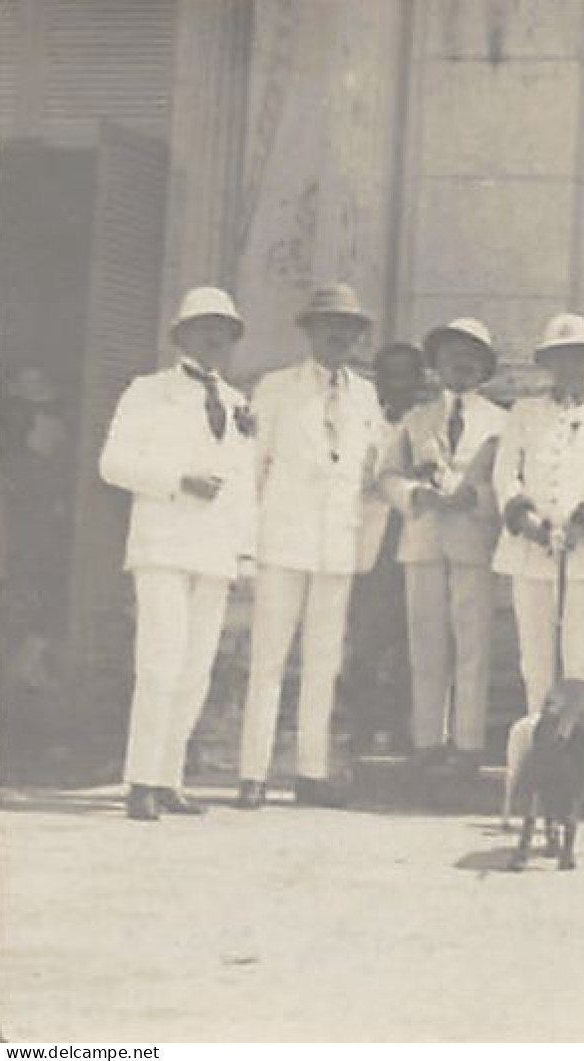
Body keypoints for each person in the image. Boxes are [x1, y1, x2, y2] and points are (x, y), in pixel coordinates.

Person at [99, 287, 257, 820]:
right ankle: (140, 780)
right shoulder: (148, 392)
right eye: (204, 327)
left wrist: (245, 553)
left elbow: (243, 486)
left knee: (197, 669)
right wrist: (176, 480)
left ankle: (169, 777)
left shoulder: (237, 403)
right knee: (161, 661)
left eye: (225, 330)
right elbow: (113, 463)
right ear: (181, 335)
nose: (214, 338)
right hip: (163, 543)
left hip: (214, 551)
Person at [237, 282, 382, 809]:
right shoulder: (276, 389)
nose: (338, 334)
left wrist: (363, 545)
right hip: (282, 540)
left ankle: (309, 772)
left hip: (337, 546)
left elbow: (372, 475)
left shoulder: (365, 396)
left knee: (324, 661)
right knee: (268, 660)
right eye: (328, 326)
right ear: (309, 332)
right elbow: (252, 470)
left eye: (348, 327)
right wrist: (245, 547)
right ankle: (253, 773)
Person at [379, 317, 505, 769]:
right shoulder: (417, 419)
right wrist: (415, 495)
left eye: (472, 358)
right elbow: (387, 474)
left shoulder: (501, 422)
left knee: (472, 643)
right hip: (425, 539)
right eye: (453, 356)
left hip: (474, 541)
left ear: (484, 368)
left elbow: (511, 480)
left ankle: (468, 744)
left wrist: (480, 497)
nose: (462, 365)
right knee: (426, 643)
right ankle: (428, 739)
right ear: (437, 365)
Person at [493, 314, 584, 719]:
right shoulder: (524, 412)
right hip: (531, 549)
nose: (569, 367)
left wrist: (581, 525)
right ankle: (541, 744)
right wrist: (527, 521)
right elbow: (506, 470)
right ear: (548, 364)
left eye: (578, 358)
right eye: (560, 359)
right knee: (535, 656)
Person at [345, 341, 429, 755]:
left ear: (420, 380)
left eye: (406, 375)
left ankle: (403, 732)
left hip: (413, 538)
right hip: (368, 541)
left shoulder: (429, 424)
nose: (398, 385)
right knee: (364, 641)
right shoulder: (360, 421)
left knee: (412, 641)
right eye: (389, 375)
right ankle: (360, 732)